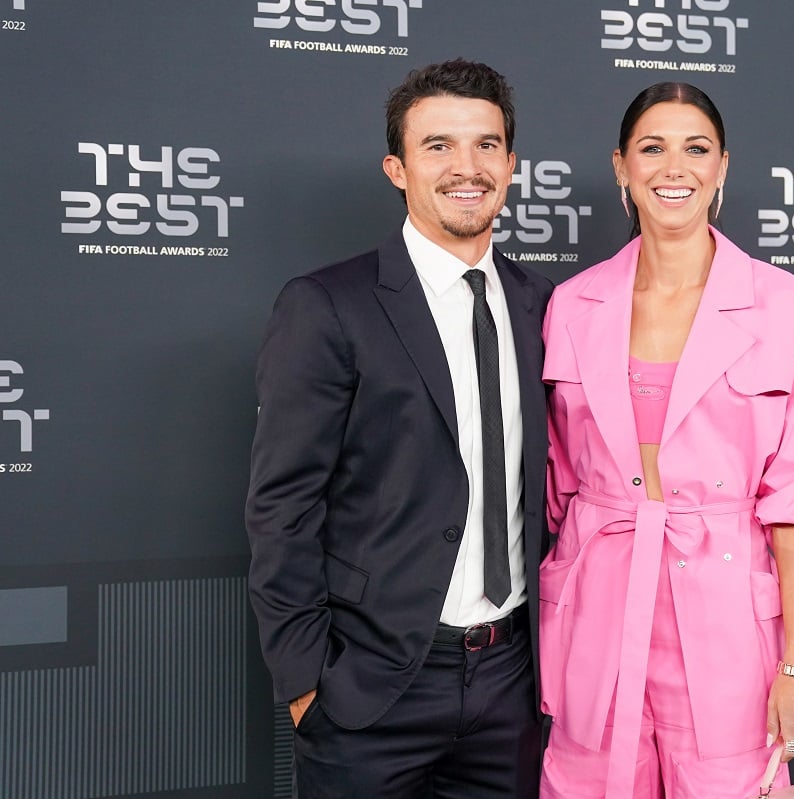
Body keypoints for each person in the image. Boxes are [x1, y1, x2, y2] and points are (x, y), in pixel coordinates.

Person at [245, 59, 553, 799]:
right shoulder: (329, 305)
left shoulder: (546, 307)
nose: (466, 167)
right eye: (438, 145)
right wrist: (306, 681)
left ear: (511, 164)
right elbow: (282, 505)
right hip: (368, 690)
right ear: (397, 167)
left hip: (512, 685)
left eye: (486, 145)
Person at [538, 82, 794, 798]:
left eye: (695, 148)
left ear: (722, 168)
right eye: (651, 148)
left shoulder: (790, 309)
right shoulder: (572, 305)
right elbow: (553, 484)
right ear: (621, 167)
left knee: (728, 782)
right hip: (593, 609)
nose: (672, 167)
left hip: (724, 619)